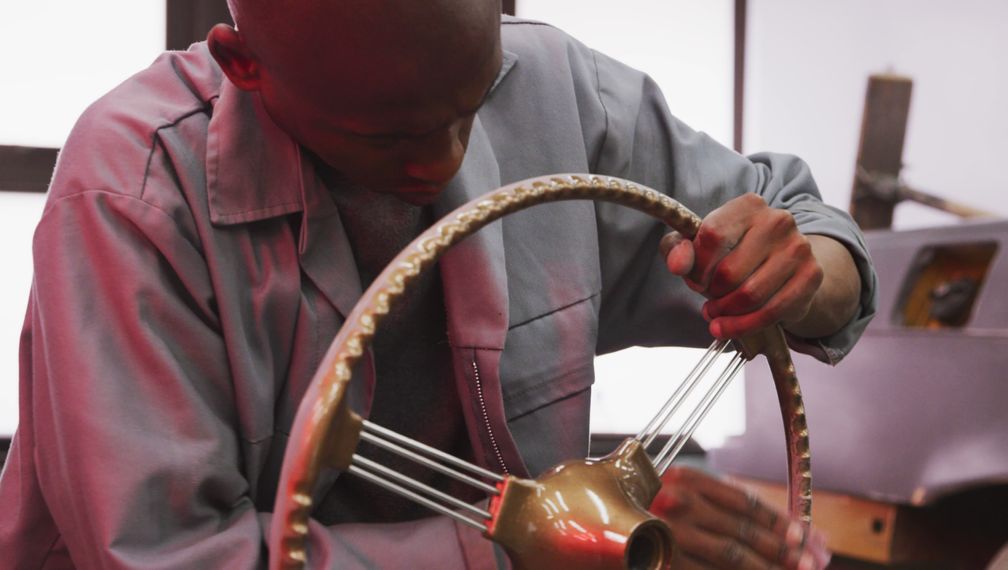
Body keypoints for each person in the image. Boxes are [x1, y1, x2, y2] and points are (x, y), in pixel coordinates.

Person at [0, 0, 875, 568]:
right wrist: (571, 546)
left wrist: (801, 278)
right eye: (388, 137)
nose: (447, 159)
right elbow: (165, 556)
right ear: (242, 64)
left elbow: (805, 225)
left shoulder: (555, 89)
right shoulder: (133, 198)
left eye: (470, 104)